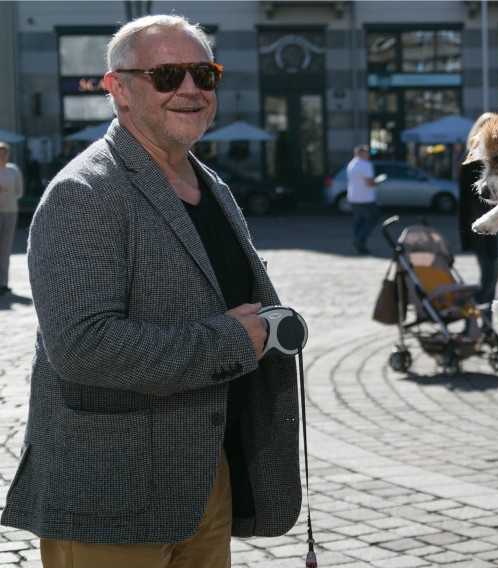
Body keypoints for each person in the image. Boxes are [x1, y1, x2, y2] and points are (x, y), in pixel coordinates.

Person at [0, 15, 302, 567]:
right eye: (166, 75)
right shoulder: (85, 191)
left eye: (202, 74)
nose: (189, 90)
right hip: (111, 498)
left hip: (205, 480)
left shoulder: (212, 187)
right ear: (118, 89)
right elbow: (83, 347)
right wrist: (235, 340)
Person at [458, 112, 498, 310]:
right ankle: (473, 320)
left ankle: (486, 327)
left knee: (491, 279)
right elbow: (473, 197)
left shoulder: (484, 157)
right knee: (489, 279)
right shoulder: (475, 159)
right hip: (480, 226)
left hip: (487, 224)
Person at [347, 144, 381, 255]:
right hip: (365, 197)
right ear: (361, 153)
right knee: (373, 218)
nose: (369, 155)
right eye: (367, 152)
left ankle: (360, 245)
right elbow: (369, 182)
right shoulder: (365, 165)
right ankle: (359, 239)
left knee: (358, 222)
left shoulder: (352, 164)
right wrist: (378, 182)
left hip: (353, 197)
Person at [0, 141, 24, 295]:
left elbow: (19, 191)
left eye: (5, 153)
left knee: (5, 248)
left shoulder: (13, 170)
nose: (3, 156)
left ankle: (3, 282)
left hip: (10, 211)